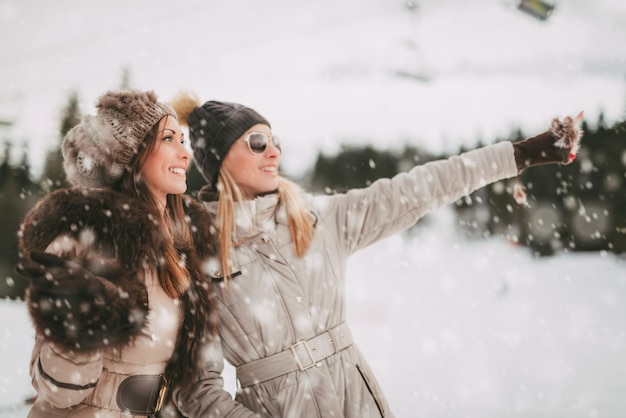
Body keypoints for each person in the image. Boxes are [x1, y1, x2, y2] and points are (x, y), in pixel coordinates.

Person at [171, 91, 583, 418]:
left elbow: (422, 187)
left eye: (274, 140)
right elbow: (197, 390)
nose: (274, 152)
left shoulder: (316, 219)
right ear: (221, 161)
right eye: (257, 142)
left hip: (357, 399)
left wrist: (521, 154)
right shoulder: (199, 252)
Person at [14, 90, 234, 417]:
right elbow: (56, 391)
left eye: (183, 140)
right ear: (130, 156)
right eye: (168, 139)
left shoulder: (185, 242)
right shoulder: (87, 238)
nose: (184, 153)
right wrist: (79, 324)